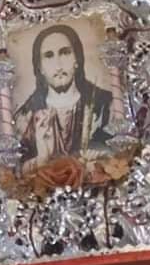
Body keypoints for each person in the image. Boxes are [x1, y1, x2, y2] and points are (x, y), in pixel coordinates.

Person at [14, 24, 114, 170]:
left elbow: (118, 156)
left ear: (77, 59)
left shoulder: (104, 106)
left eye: (65, 53)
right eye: (49, 56)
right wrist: (41, 159)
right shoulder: (25, 117)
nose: (58, 65)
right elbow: (16, 172)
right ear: (40, 67)